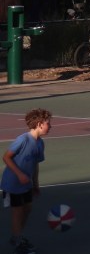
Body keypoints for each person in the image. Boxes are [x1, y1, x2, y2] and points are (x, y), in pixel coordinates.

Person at [2, 108, 51, 254]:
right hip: (13, 184)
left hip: (27, 184)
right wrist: (19, 175)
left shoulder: (40, 143)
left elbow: (35, 164)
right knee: (17, 212)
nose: (50, 126)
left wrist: (35, 183)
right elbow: (6, 157)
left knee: (27, 209)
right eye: (48, 123)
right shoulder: (23, 140)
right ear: (39, 124)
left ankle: (16, 236)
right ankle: (18, 241)